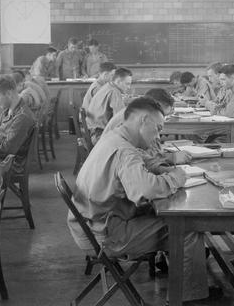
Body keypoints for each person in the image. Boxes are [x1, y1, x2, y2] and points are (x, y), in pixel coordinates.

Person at [68, 97, 216, 303]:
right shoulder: (124, 150)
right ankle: (190, 297)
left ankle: (182, 278)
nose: (158, 135)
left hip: (90, 225)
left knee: (168, 217)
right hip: (105, 234)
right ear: (143, 121)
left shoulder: (114, 138)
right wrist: (176, 177)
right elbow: (145, 190)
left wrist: (161, 168)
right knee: (187, 229)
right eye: (157, 128)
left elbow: (141, 162)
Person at [103, 89, 193, 171]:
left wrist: (164, 155)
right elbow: (136, 158)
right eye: (162, 114)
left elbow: (151, 149)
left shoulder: (135, 113)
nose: (162, 118)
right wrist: (170, 158)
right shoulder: (128, 121)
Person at [0, 75, 36, 174]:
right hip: (0, 156)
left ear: (9, 93)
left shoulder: (22, 117)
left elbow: (6, 149)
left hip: (9, 163)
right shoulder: (8, 109)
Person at [85, 67, 132, 144]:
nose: (129, 87)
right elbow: (121, 119)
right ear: (118, 81)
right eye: (127, 84)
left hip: (92, 130)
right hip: (99, 136)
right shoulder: (114, 92)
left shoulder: (107, 86)